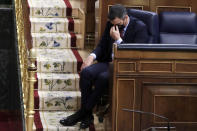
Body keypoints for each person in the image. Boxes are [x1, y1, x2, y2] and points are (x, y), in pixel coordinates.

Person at [60, 4, 149, 129]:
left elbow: (136, 53)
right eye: (113, 24)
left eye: (118, 24)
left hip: (125, 65)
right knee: (86, 72)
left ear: (125, 18)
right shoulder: (111, 24)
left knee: (103, 78)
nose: (115, 26)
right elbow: (102, 45)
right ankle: (88, 116)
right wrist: (91, 56)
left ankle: (83, 112)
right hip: (108, 62)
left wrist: (118, 40)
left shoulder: (140, 27)